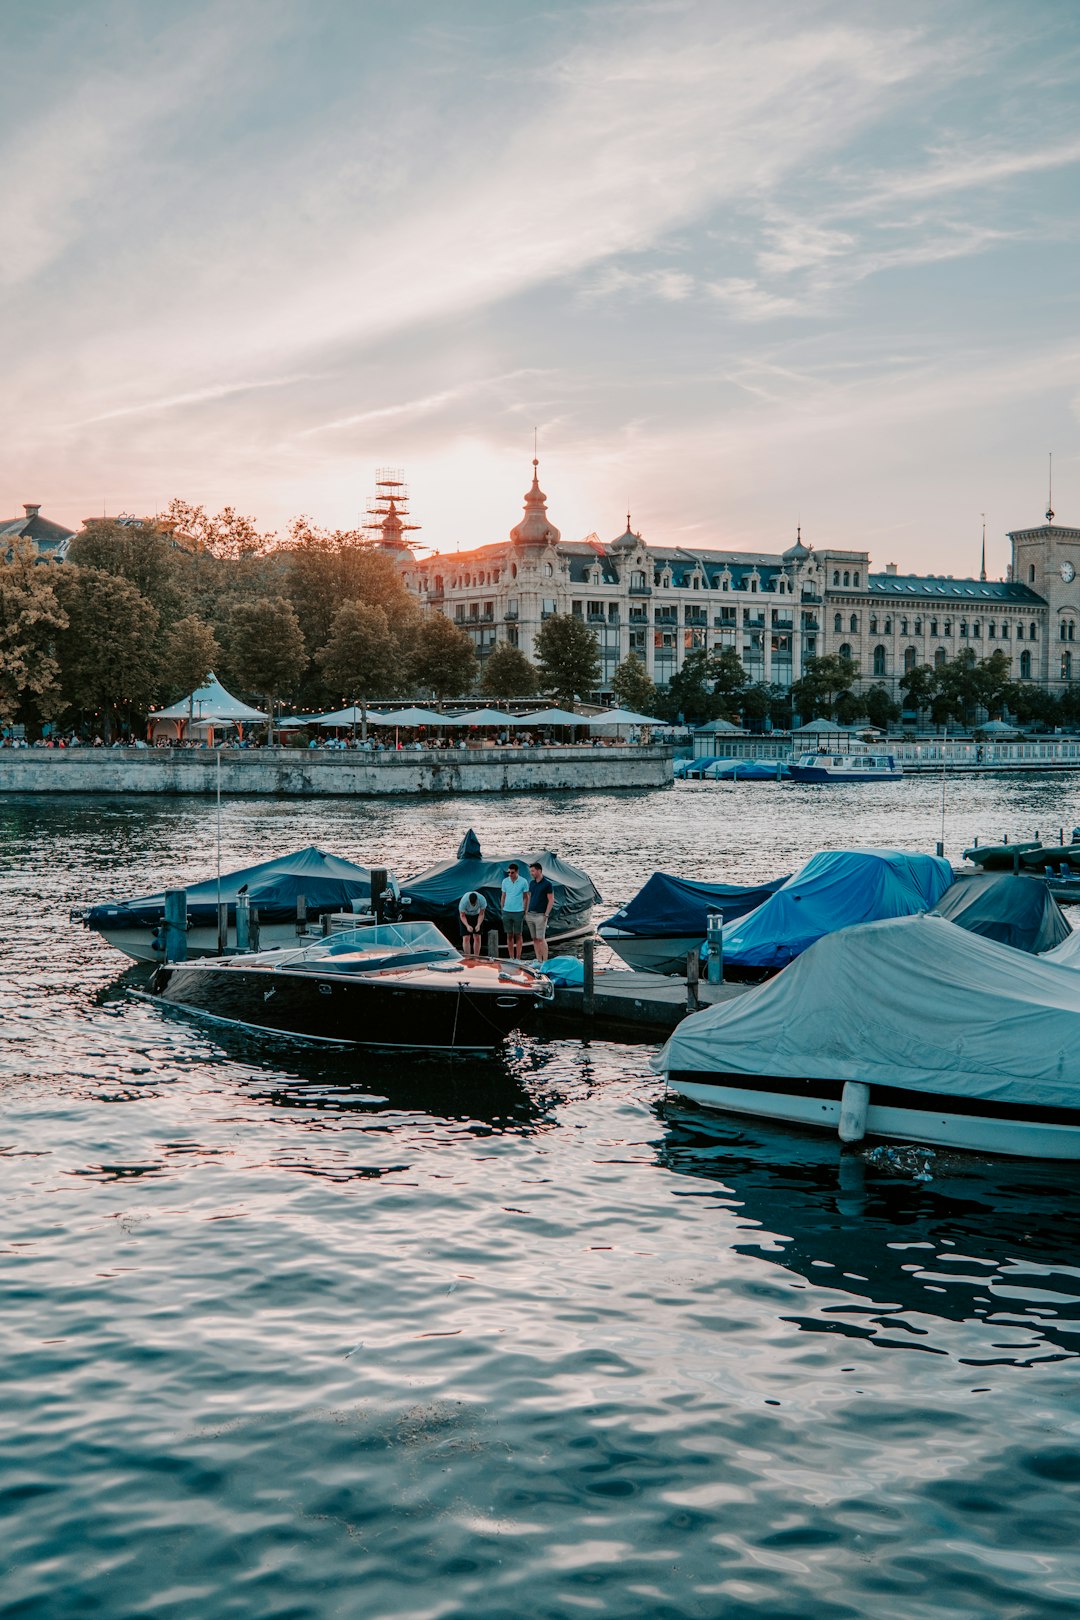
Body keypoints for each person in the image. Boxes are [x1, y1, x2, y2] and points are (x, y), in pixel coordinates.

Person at [525, 860, 555, 963]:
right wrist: (526, 912)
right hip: (530, 914)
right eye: (531, 871)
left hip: (540, 915)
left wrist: (546, 914)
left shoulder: (547, 884)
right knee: (534, 939)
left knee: (541, 939)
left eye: (533, 871)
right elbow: (529, 897)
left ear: (539, 871)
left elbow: (551, 899)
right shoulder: (532, 883)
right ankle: (539, 960)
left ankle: (545, 960)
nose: (531, 873)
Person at [499, 862, 530, 960]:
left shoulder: (523, 881)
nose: (510, 875)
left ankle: (518, 957)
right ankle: (511, 957)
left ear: (517, 872)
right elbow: (503, 895)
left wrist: (525, 909)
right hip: (507, 911)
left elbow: (526, 897)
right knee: (509, 934)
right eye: (509, 873)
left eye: (512, 873)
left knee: (518, 934)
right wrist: (502, 908)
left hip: (518, 911)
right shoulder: (505, 881)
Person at [458, 889, 487, 956]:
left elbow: (482, 913)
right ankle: (467, 956)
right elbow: (462, 915)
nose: (473, 905)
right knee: (466, 937)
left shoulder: (482, 899)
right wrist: (467, 925)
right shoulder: (464, 901)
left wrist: (478, 924)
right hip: (466, 915)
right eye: (471, 903)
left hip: (477, 915)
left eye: (474, 903)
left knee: (477, 936)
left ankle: (476, 956)